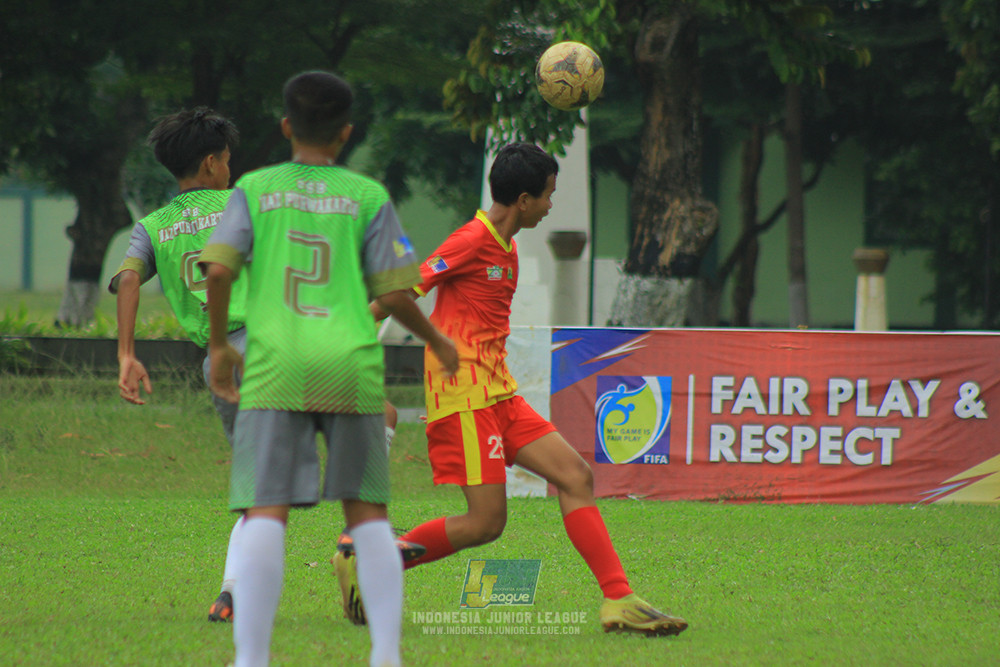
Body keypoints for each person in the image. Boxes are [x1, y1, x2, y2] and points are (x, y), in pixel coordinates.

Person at [359, 142, 688, 637]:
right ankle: (373, 564)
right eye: (548, 196)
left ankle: (619, 599)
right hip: (464, 397)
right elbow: (399, 293)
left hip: (500, 395)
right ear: (523, 200)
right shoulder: (471, 239)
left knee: (575, 475)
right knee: (486, 523)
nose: (552, 205)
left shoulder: (508, 246)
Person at [199, 70, 458, 667]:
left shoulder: (256, 188)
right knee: (367, 515)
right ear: (345, 133)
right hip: (350, 365)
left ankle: (251, 659)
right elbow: (394, 297)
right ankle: (386, 654)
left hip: (275, 367)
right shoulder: (368, 197)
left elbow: (217, 271)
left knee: (267, 509)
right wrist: (438, 342)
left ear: (287, 125)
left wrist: (219, 346)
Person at [108, 106, 248, 624]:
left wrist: (126, 354)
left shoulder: (155, 224)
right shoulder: (241, 204)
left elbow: (126, 279)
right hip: (268, 346)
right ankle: (367, 535)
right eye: (228, 160)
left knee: (255, 481)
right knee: (369, 417)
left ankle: (230, 591)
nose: (229, 170)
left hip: (218, 362)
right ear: (211, 163)